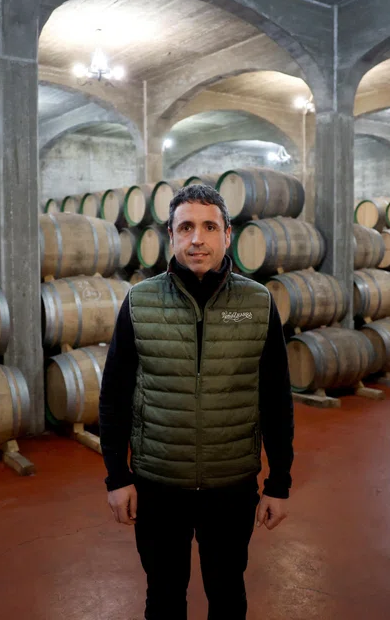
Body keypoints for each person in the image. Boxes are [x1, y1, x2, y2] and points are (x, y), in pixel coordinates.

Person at [98, 183, 295, 620]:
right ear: (171, 235)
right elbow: (114, 395)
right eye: (185, 227)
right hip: (158, 483)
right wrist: (117, 476)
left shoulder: (256, 303)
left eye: (209, 227)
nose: (197, 239)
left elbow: (276, 398)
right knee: (164, 596)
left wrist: (279, 481)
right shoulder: (140, 302)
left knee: (227, 594)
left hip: (232, 484)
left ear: (228, 234)